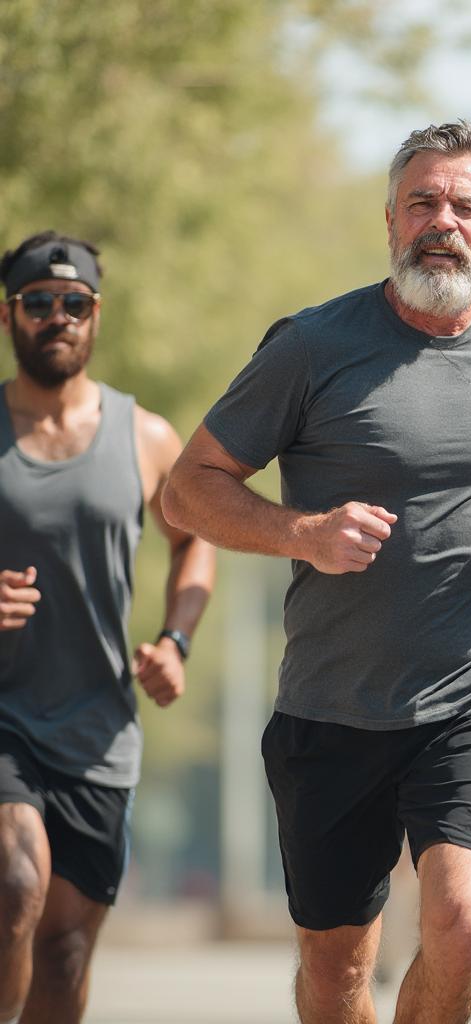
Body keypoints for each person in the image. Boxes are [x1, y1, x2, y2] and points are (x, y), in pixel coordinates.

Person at [161, 121, 471, 1024]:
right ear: (391, 222)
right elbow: (187, 490)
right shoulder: (312, 348)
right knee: (335, 979)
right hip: (333, 703)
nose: (443, 221)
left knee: (466, 927)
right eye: (422, 203)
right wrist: (304, 532)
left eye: (464, 206)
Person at [0, 231, 215, 1024]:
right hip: (4, 720)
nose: (57, 316)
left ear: (97, 315)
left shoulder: (146, 436)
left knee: (64, 954)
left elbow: (194, 541)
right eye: (38, 303)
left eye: (74, 303)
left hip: (98, 732)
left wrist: (176, 641)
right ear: (8, 316)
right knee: (13, 885)